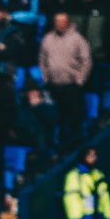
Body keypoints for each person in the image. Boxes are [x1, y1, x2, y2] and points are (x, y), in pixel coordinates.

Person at [38, 13, 91, 143]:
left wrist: (79, 80)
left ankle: (73, 144)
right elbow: (42, 59)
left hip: (71, 86)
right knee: (57, 118)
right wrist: (45, 78)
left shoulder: (77, 39)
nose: (59, 24)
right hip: (53, 85)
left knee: (73, 118)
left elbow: (86, 61)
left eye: (62, 21)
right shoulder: (47, 39)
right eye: (57, 21)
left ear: (68, 22)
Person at [63, 148, 110, 219]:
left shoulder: (98, 174)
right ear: (83, 156)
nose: (94, 158)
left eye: (94, 155)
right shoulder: (73, 175)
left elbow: (105, 198)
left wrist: (109, 218)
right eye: (90, 155)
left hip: (99, 218)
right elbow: (71, 200)